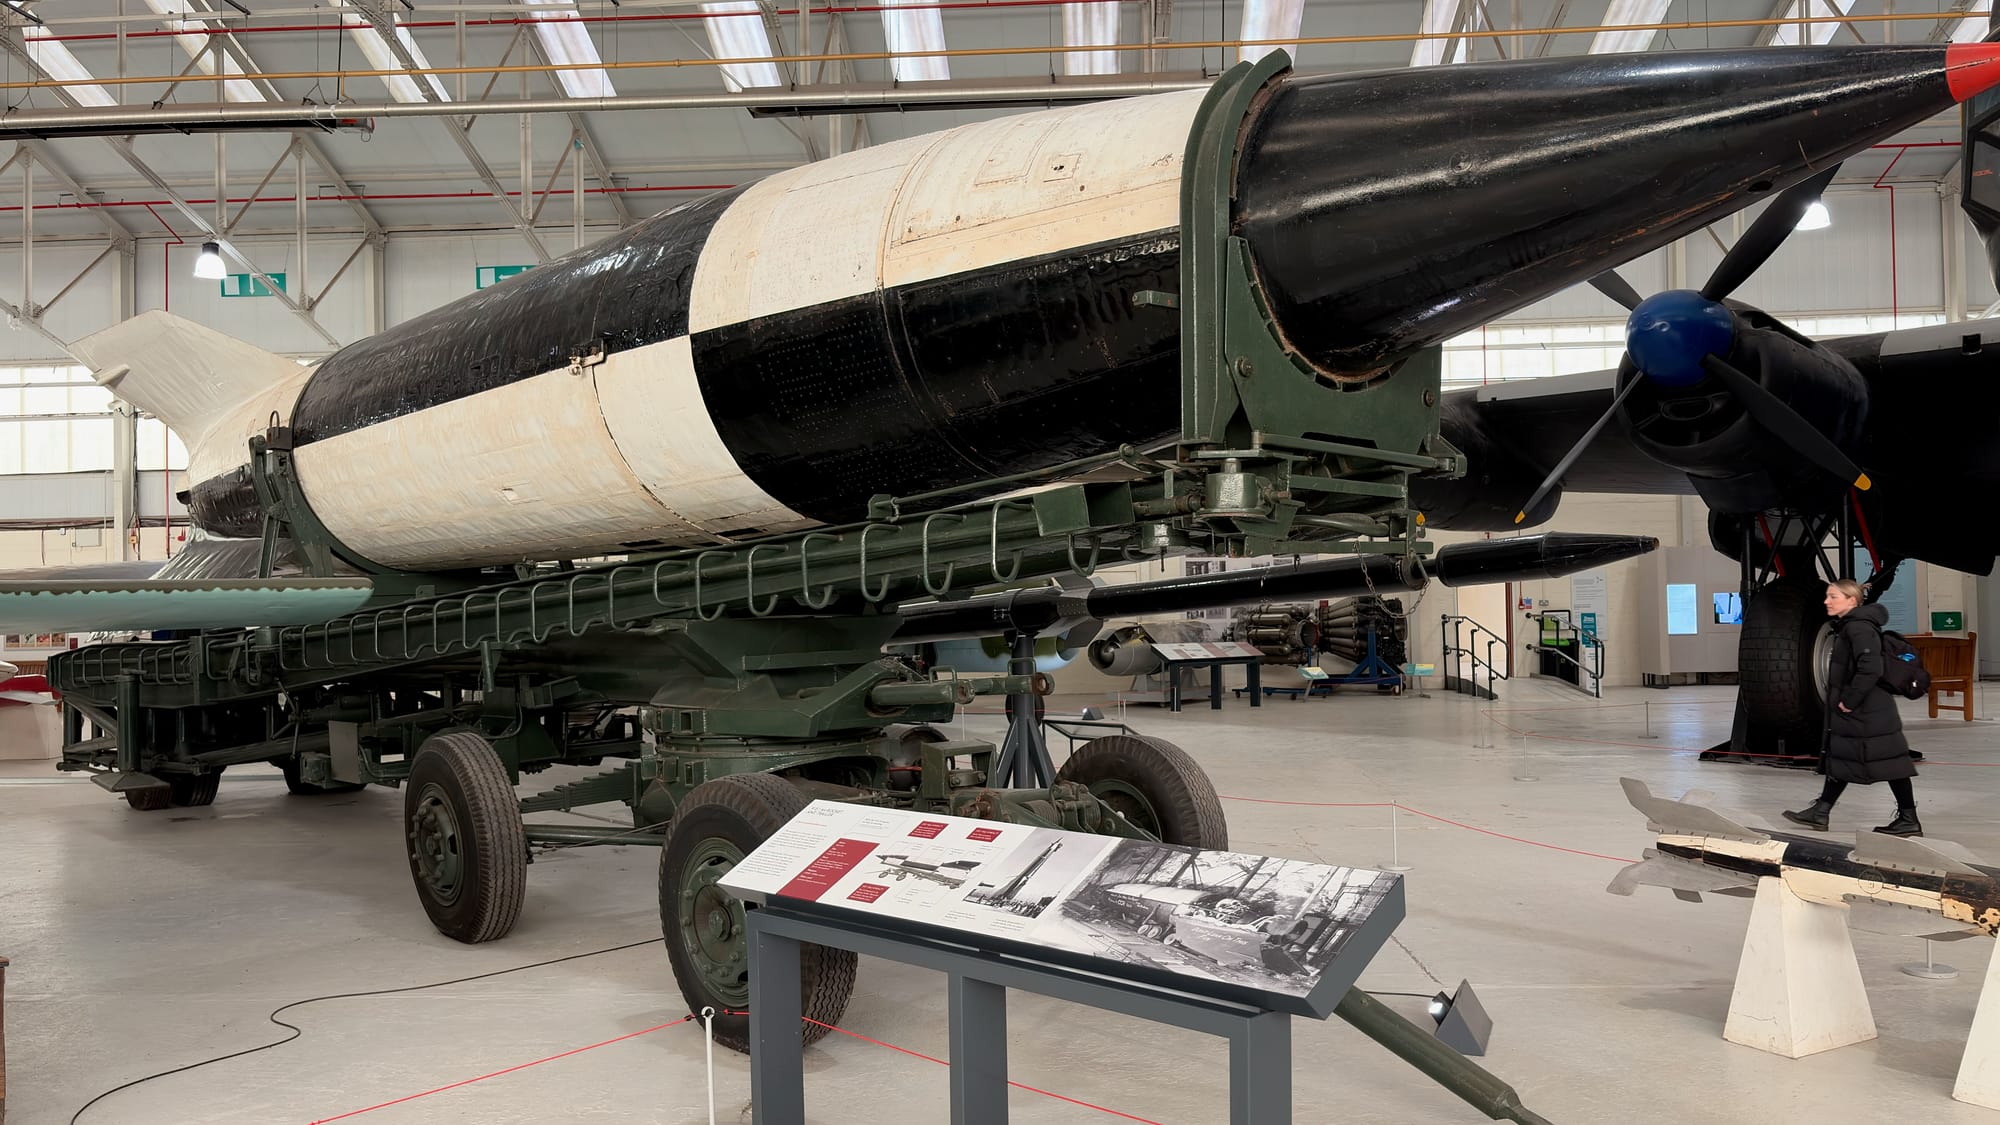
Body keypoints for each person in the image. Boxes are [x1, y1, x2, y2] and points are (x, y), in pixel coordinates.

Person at [1783, 578, 1921, 837]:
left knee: (1891, 763)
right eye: (1827, 596)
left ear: (1852, 600)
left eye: (1833, 596)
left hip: (1866, 709)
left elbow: (1870, 668)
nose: (1827, 601)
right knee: (1843, 756)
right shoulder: (1851, 626)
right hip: (1863, 707)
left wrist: (1850, 700)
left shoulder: (1858, 628)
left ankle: (1908, 818)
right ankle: (1821, 811)